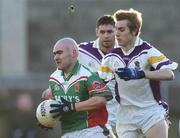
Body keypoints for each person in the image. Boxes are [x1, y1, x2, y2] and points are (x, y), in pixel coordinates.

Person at [98, 9, 178, 138]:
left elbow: (169, 74)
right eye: (116, 29)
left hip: (150, 112)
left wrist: (140, 73)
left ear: (134, 31)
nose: (116, 34)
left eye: (121, 30)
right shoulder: (110, 57)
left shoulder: (147, 51)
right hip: (125, 115)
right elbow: (100, 85)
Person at [42, 15, 119, 137]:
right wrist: (50, 90)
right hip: (91, 116)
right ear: (96, 32)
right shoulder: (81, 51)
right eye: (102, 32)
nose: (106, 35)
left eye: (110, 31)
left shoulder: (124, 54)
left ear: (116, 31)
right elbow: (62, 73)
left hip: (119, 112)